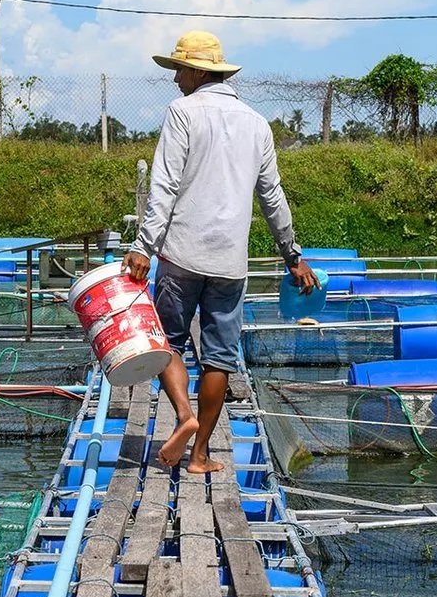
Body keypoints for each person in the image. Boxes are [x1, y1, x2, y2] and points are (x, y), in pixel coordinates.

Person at [124, 29, 317, 472]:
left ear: (195, 71)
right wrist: (292, 255)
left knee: (168, 342)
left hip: (180, 256)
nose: (175, 80)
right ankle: (200, 454)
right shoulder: (256, 124)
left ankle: (185, 417)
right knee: (219, 357)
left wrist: (144, 246)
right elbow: (273, 198)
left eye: (178, 71)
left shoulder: (182, 112)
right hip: (230, 263)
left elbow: (165, 184)